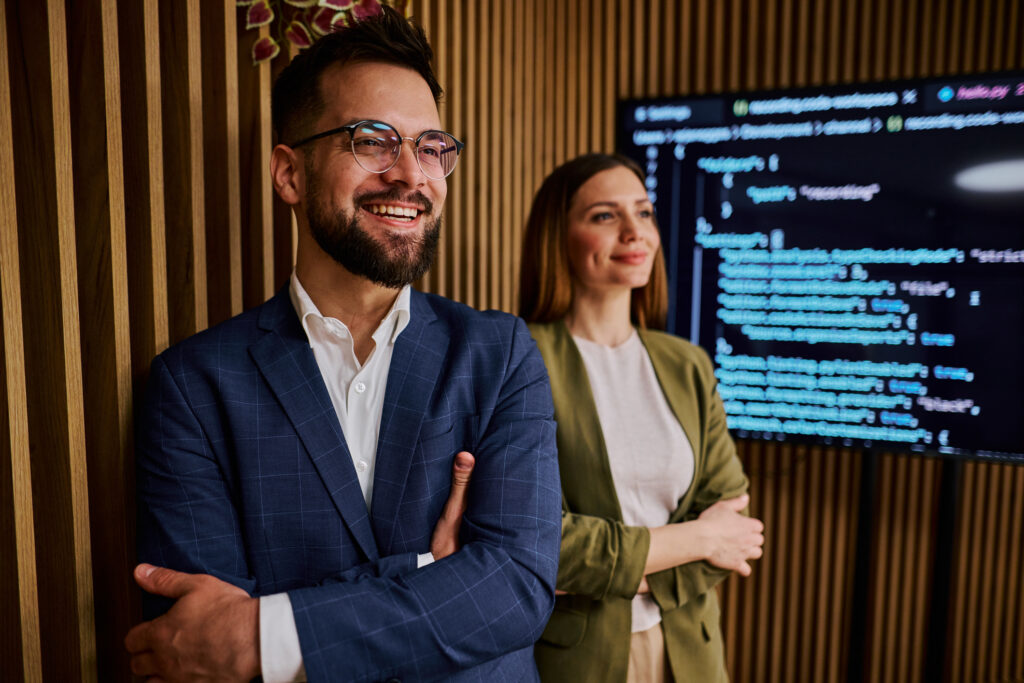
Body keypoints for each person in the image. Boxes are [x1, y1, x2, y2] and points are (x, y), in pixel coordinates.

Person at [125, 8, 561, 682]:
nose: (412, 175)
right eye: (374, 140)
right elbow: (203, 644)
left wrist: (267, 635)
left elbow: (515, 589)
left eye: (432, 145)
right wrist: (429, 574)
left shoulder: (498, 354)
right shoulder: (194, 384)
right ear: (289, 174)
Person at [519, 153, 765, 683]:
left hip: (691, 652)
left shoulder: (688, 364)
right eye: (605, 216)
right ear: (557, 236)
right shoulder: (521, 358)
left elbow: (734, 527)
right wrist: (700, 539)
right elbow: (543, 547)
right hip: (578, 659)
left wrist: (613, 568)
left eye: (645, 213)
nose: (635, 232)